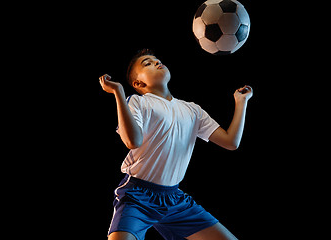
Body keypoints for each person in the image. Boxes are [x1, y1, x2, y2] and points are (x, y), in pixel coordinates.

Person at [99, 49, 253, 240]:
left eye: (157, 59)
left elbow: (231, 142)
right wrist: (119, 93)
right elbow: (133, 141)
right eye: (147, 63)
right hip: (138, 196)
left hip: (174, 199)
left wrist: (241, 102)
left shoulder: (192, 110)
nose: (156, 62)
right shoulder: (138, 102)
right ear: (138, 83)